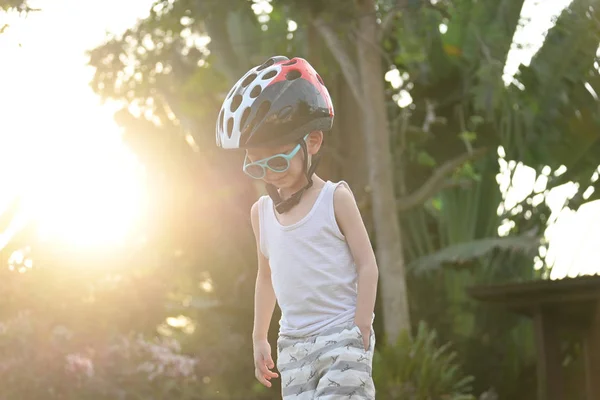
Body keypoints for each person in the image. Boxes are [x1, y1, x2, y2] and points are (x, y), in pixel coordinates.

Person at [216, 55, 379, 399]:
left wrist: (361, 325)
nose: (270, 174)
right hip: (293, 346)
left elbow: (367, 264)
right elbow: (266, 276)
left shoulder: (336, 199)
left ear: (313, 142)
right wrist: (259, 336)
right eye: (257, 166)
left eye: (277, 160)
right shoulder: (260, 214)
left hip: (342, 334)